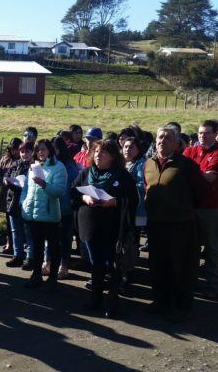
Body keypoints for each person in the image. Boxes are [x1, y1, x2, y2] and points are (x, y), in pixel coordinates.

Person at [144, 124, 207, 322]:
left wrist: (182, 207)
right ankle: (160, 301)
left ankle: (182, 305)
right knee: (157, 265)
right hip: (155, 223)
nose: (162, 141)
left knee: (181, 267)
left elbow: (201, 193)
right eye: (160, 137)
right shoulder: (149, 164)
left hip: (181, 224)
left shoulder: (186, 165)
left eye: (167, 138)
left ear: (177, 143)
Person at [71, 140, 137, 318]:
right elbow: (73, 192)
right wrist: (85, 197)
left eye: (104, 152)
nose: (99, 155)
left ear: (113, 157)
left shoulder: (121, 175)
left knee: (112, 265)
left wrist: (115, 201)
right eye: (97, 151)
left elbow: (133, 199)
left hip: (112, 227)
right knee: (95, 264)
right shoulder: (86, 173)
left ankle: (113, 301)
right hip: (90, 226)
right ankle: (95, 298)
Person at [183, 120, 218, 299]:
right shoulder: (191, 150)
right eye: (200, 132)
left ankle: (212, 283)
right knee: (190, 246)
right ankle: (191, 280)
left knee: (211, 247)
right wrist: (197, 174)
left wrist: (190, 174)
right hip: (190, 206)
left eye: (207, 133)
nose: (202, 136)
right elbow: (184, 171)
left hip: (210, 208)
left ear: (215, 134)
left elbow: (209, 178)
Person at [20, 138, 67, 292]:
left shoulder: (58, 167)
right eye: (38, 149)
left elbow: (59, 191)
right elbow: (26, 187)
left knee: (53, 247)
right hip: (33, 213)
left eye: (44, 149)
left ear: (50, 150)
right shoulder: (34, 166)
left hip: (49, 214)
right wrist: (23, 202)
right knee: (37, 246)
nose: (40, 152)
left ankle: (52, 278)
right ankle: (36, 275)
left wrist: (44, 184)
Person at [3, 142, 35, 269]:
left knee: (28, 232)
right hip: (13, 201)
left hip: (26, 201)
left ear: (33, 152)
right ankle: (18, 255)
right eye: (22, 152)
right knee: (15, 230)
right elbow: (7, 174)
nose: (24, 154)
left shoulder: (35, 166)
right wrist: (6, 180)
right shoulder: (16, 163)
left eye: (27, 152)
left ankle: (30, 257)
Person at [53, 136, 80, 280]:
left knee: (65, 238)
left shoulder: (70, 165)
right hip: (50, 207)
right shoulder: (48, 163)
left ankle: (64, 265)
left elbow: (75, 184)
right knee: (51, 238)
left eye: (55, 148)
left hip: (65, 207)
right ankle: (49, 262)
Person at [122, 136, 147, 288]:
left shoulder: (141, 164)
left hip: (135, 209)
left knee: (132, 240)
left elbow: (141, 185)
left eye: (131, 147)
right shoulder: (121, 163)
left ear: (138, 149)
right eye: (125, 146)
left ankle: (130, 271)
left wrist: (125, 182)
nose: (128, 150)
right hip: (120, 209)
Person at [0, 138, 21, 255]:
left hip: (19, 193)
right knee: (8, 219)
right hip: (7, 192)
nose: (15, 152)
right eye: (13, 149)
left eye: (17, 149)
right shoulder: (5, 159)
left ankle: (18, 245)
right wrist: (3, 179)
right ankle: (9, 243)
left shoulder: (23, 159)